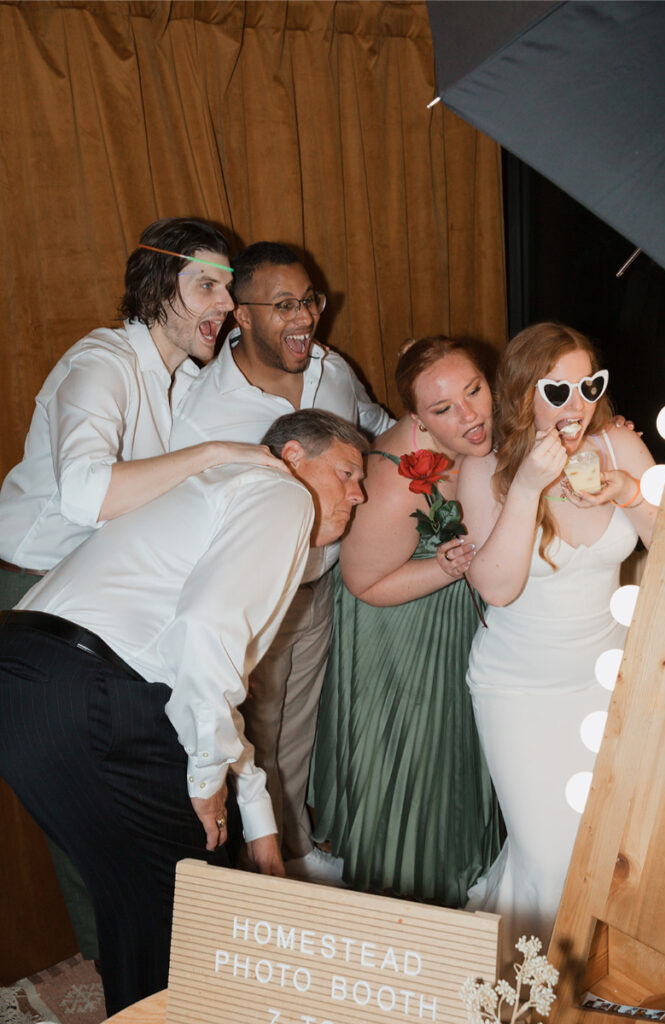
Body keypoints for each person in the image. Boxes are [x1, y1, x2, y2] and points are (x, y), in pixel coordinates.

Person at [0, 409, 367, 1016]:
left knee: (142, 904)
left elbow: (208, 684)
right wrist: (205, 781)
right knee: (190, 905)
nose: (359, 493)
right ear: (294, 457)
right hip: (88, 688)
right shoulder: (281, 493)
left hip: (29, 685)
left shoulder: (223, 497)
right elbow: (204, 635)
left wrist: (260, 824)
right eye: (348, 472)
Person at [0, 216, 280, 957]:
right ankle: (115, 971)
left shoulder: (183, 379)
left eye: (228, 288)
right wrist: (214, 452)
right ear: (158, 288)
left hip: (114, 604)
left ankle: (167, 954)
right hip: (37, 595)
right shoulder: (102, 361)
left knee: (148, 808)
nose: (224, 304)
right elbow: (88, 495)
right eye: (206, 286)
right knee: (95, 824)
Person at [171, 241, 393, 877]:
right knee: (251, 737)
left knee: (296, 728)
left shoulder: (332, 368)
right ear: (240, 315)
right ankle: (249, 875)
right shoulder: (205, 411)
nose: (304, 319)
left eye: (311, 301)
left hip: (317, 587)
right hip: (249, 601)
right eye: (284, 305)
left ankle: (290, 854)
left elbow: (371, 425)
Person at [458, 323, 657, 961]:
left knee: (594, 847)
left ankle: (578, 984)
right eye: (559, 388)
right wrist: (525, 490)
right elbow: (496, 586)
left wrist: (627, 491)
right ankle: (534, 990)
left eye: (589, 385)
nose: (578, 404)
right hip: (519, 690)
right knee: (548, 854)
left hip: (604, 682)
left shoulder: (617, 446)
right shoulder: (485, 468)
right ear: (522, 392)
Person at [309, 335, 504, 905]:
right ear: (416, 417)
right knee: (415, 756)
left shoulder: (481, 427)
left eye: (474, 390)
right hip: (396, 630)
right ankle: (405, 892)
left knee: (454, 742)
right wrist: (446, 572)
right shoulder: (394, 483)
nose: (469, 415)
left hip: (445, 615)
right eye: (443, 409)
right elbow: (361, 583)